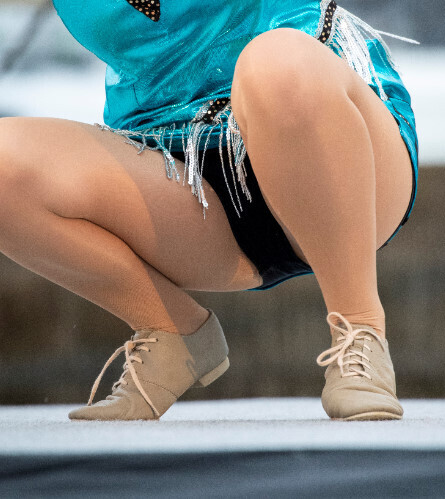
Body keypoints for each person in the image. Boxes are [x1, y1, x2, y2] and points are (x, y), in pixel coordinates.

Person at [0, 0, 418, 421]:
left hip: (325, 131)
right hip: (181, 171)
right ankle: (171, 331)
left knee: (275, 66)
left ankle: (361, 328)